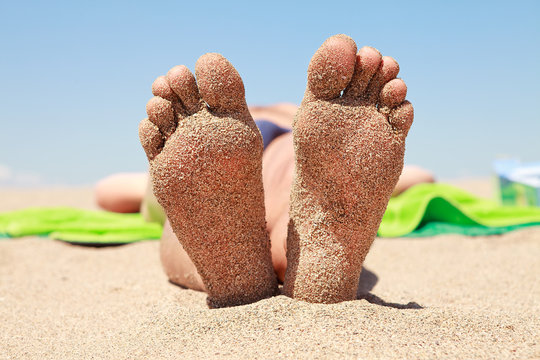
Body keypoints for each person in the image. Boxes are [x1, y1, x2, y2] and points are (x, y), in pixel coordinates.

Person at [96, 35, 434, 307]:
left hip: (215, 148)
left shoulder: (186, 123)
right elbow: (421, 176)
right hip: (288, 147)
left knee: (186, 204)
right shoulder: (296, 110)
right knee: (298, 187)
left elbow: (107, 193)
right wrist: (403, 179)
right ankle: (315, 260)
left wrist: (136, 189)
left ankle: (234, 271)